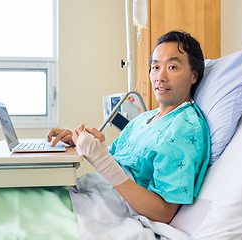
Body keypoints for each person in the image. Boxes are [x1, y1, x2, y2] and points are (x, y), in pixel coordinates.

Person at [47, 31, 211, 224]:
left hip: (111, 212)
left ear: (194, 75)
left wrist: (100, 158)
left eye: (172, 67)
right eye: (155, 67)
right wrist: (80, 143)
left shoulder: (184, 128)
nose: (160, 76)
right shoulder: (145, 119)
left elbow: (164, 212)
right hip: (91, 193)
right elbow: (115, 163)